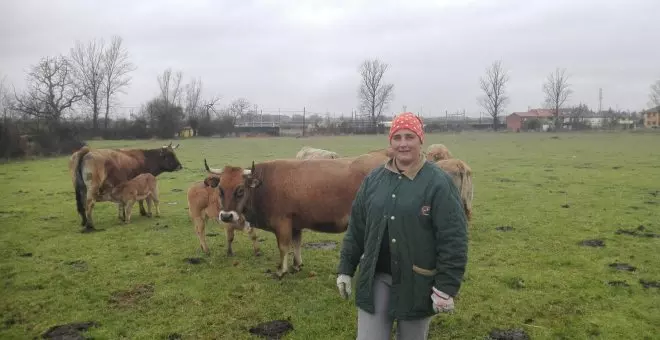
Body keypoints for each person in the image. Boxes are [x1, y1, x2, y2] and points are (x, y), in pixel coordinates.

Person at [336, 112, 469, 340]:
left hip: (417, 283)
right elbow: (357, 228)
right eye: (397, 137)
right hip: (376, 278)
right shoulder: (374, 180)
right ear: (391, 141)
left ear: (421, 139)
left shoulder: (439, 183)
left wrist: (446, 287)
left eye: (409, 136)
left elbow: (453, 238)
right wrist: (345, 269)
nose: (403, 144)